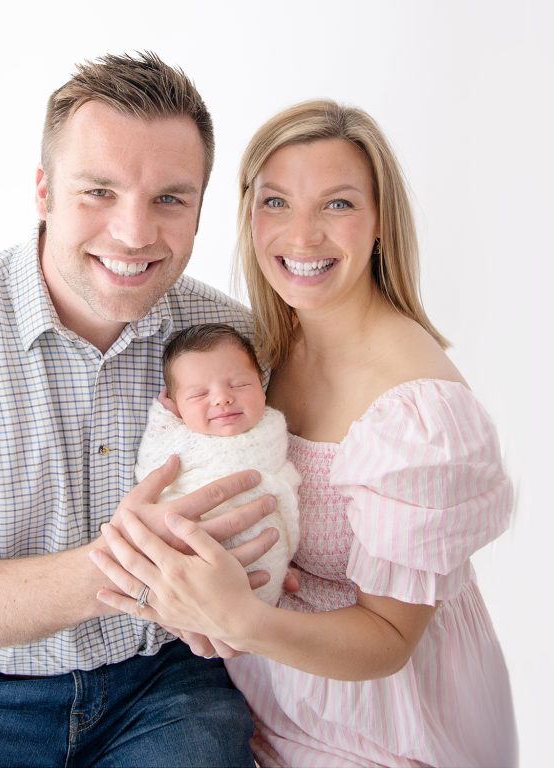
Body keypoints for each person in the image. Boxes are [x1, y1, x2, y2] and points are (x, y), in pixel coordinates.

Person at [0, 52, 284, 768]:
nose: (135, 233)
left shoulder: (239, 346)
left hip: (169, 683)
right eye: (99, 192)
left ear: (202, 208)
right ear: (44, 191)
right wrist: (125, 567)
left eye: (170, 198)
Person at [93, 99, 519, 767]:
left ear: (380, 222)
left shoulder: (417, 411)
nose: (302, 235)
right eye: (276, 203)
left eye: (338, 204)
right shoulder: (263, 356)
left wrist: (239, 620)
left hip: (386, 719)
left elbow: (389, 641)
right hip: (271, 697)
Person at [135, 323, 300, 605]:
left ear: (262, 385)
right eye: (199, 395)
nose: (223, 398)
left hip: (268, 552)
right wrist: (163, 417)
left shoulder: (272, 426)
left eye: (239, 384)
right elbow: (149, 467)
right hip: (194, 564)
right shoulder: (178, 438)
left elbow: (287, 477)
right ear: (177, 406)